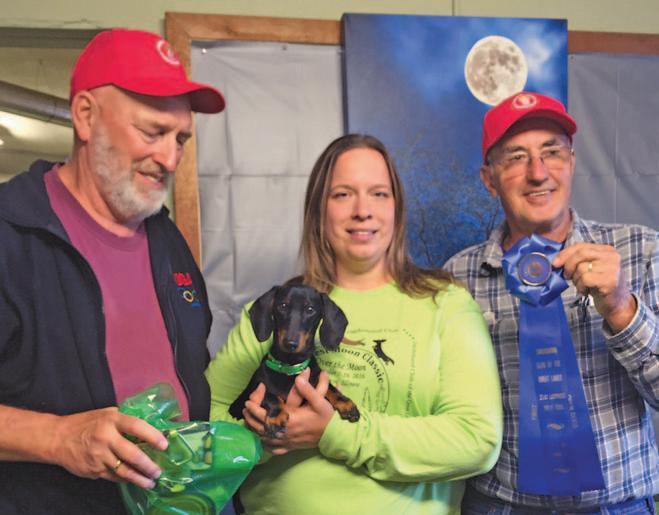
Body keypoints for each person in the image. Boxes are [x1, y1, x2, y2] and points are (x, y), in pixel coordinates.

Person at [205, 133, 503, 514]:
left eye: (379, 193)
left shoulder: (445, 303)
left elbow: (476, 440)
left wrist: (334, 433)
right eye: (343, 194)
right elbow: (204, 428)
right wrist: (261, 438)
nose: (363, 210)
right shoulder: (272, 311)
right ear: (319, 209)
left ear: (397, 208)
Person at [0, 28, 225, 514]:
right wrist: (59, 436)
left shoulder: (167, 240)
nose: (170, 158)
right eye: (152, 132)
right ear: (86, 116)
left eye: (181, 139)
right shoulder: (9, 234)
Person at [445, 92, 659, 514]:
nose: (538, 173)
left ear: (572, 162)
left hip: (620, 506)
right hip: (502, 506)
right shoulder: (457, 276)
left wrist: (621, 308)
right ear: (489, 178)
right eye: (516, 158)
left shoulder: (642, 251)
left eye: (552, 152)